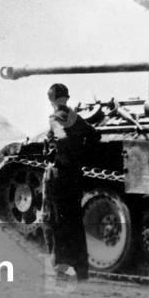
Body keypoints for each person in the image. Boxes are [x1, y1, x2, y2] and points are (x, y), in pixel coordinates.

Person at [43, 82, 96, 281]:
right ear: (66, 98)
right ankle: (82, 271)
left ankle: (59, 270)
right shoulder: (75, 117)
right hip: (75, 175)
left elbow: (61, 137)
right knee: (75, 223)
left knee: (54, 222)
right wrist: (78, 155)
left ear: (51, 100)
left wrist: (59, 153)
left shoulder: (55, 118)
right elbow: (93, 135)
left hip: (59, 175)